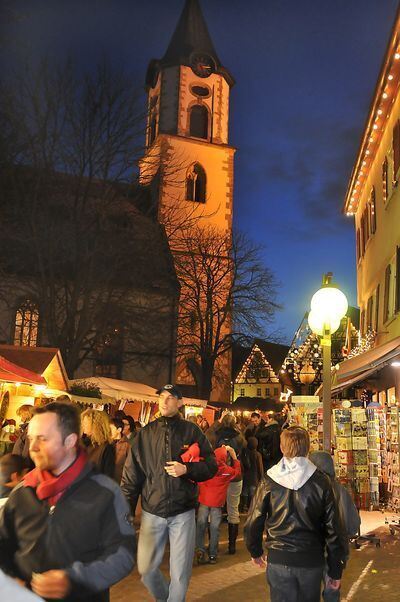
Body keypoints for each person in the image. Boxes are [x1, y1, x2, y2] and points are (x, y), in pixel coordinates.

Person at [0, 401, 136, 602]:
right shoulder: (23, 491)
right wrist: (11, 580)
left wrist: (75, 579)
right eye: (31, 438)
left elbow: (123, 554)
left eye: (42, 439)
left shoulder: (105, 493)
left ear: (70, 441)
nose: (33, 447)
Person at [121, 383, 217, 602]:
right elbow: (130, 480)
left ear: (180, 402)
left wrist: (188, 469)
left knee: (180, 575)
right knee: (146, 570)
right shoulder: (144, 435)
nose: (164, 401)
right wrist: (124, 514)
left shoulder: (192, 431)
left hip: (182, 512)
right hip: (152, 511)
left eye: (170, 397)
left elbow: (212, 465)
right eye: (162, 397)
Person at [245, 426, 348, 602]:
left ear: (282, 447)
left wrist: (255, 551)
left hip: (279, 559)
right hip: (311, 560)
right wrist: (335, 570)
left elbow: (254, 520)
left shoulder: (270, 480)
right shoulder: (321, 481)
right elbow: (334, 529)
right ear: (307, 447)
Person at [310, 450, 360, 602]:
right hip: (336, 549)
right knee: (332, 590)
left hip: (312, 549)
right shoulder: (341, 491)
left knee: (309, 590)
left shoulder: (306, 490)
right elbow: (353, 524)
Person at [206, 412, 246, 554]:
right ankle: (232, 546)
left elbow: (206, 435)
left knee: (214, 510)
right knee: (233, 510)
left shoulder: (215, 435)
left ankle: (213, 546)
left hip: (218, 477)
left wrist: (218, 421)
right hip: (234, 476)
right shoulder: (239, 437)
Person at [196, 444, 241, 564]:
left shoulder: (206, 467)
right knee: (214, 528)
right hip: (217, 504)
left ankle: (200, 550)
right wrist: (234, 456)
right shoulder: (227, 471)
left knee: (201, 526)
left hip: (204, 501)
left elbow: (197, 477)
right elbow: (237, 472)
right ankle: (212, 555)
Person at [81, 408, 116, 480]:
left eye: (85, 422)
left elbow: (108, 476)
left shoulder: (106, 448)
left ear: (95, 424)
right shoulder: (82, 444)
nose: (83, 425)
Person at [240, 436, 264, 512]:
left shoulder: (244, 453)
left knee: (245, 492)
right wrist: (261, 477)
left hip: (245, 477)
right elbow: (260, 468)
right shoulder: (257, 455)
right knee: (252, 493)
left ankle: (244, 507)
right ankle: (250, 507)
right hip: (254, 478)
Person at [110, 417, 131, 483]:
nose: (108, 431)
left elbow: (130, 467)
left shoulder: (127, 445)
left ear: (119, 430)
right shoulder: (106, 444)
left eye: (111, 429)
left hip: (119, 482)